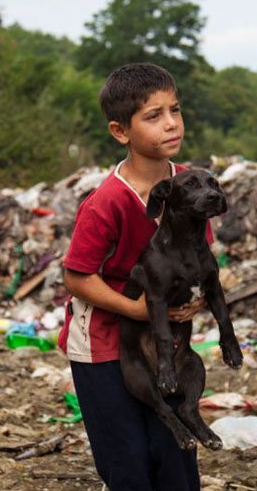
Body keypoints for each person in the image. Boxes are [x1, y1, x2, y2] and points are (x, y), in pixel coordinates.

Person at [58, 63, 212, 490]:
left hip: (164, 345)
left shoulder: (191, 185)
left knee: (175, 451)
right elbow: (77, 277)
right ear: (119, 130)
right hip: (104, 346)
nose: (170, 124)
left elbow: (199, 255)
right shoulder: (106, 202)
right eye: (153, 116)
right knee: (127, 458)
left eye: (175, 110)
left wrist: (199, 299)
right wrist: (139, 310)